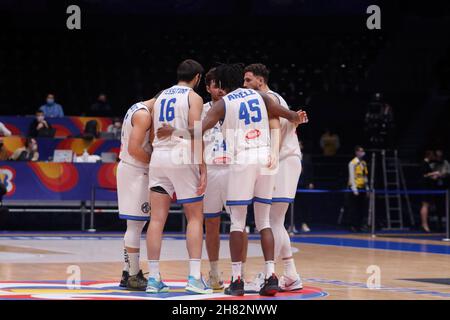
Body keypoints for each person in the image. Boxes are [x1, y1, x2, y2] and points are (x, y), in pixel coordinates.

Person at [157, 63, 306, 296]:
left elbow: (197, 130)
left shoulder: (225, 103)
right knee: (264, 221)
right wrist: (297, 116)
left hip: (243, 159)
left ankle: (236, 280)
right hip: (266, 158)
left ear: (225, 84)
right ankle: (271, 276)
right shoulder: (262, 97)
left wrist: (172, 131)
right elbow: (286, 115)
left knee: (237, 222)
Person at [146, 59, 211, 294]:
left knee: (156, 219)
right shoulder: (193, 98)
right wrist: (203, 167)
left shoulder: (161, 96)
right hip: (182, 154)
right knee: (195, 217)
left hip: (159, 156)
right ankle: (194, 278)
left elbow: (153, 131)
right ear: (197, 78)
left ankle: (153, 279)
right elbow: (196, 132)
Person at [243, 63, 306, 292]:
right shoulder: (265, 99)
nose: (245, 84)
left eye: (248, 80)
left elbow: (276, 132)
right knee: (274, 221)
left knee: (273, 221)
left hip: (284, 160)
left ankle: (268, 274)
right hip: (280, 160)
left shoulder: (271, 99)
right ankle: (290, 275)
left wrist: (272, 159)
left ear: (260, 81)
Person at [117, 98, 154, 291]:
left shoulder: (137, 108)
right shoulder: (143, 114)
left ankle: (127, 271)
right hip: (135, 170)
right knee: (135, 225)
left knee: (134, 225)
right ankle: (133, 275)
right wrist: (155, 162)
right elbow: (134, 149)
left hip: (130, 169)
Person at [201, 68, 228, 291]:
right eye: (215, 84)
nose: (219, 89)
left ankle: (239, 274)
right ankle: (214, 272)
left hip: (234, 171)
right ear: (208, 87)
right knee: (211, 223)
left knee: (240, 224)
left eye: (223, 84)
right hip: (210, 171)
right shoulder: (200, 110)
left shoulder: (238, 108)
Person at [347, 146, 369, 232]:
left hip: (362, 188)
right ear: (356, 152)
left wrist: (367, 188)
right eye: (360, 151)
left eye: (362, 151)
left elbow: (365, 176)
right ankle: (353, 225)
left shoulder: (363, 163)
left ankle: (360, 225)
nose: (362, 153)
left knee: (362, 208)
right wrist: (354, 189)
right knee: (354, 208)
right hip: (354, 188)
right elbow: (352, 176)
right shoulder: (352, 163)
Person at [296, 140, 314, 233]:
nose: (298, 146)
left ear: (302, 146)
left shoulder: (307, 157)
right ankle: (292, 225)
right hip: (293, 184)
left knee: (304, 205)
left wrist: (310, 182)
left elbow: (310, 170)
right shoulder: (291, 156)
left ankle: (304, 224)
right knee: (293, 206)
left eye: (299, 144)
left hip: (304, 184)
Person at [420, 150, 440, 232]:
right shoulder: (424, 163)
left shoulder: (427, 164)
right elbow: (424, 175)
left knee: (427, 205)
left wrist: (433, 176)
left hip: (428, 187)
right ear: (429, 155)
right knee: (425, 205)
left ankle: (425, 224)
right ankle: (424, 224)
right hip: (424, 187)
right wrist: (434, 173)